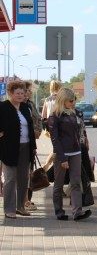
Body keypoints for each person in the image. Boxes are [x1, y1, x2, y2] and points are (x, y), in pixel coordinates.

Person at [47, 87, 91, 221]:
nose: (73, 103)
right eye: (70, 100)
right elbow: (55, 139)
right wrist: (62, 157)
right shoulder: (55, 116)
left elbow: (80, 131)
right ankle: (59, 212)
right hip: (62, 153)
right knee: (59, 184)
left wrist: (83, 141)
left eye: (74, 100)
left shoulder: (75, 113)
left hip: (76, 151)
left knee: (76, 182)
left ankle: (77, 212)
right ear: (62, 100)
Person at [0, 80, 38, 218]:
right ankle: (9, 209)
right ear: (10, 93)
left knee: (23, 178)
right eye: (17, 93)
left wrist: (33, 147)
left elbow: (31, 129)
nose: (21, 95)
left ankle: (20, 207)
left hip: (26, 147)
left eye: (23, 93)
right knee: (10, 178)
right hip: (8, 148)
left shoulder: (25, 108)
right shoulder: (3, 107)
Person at [24, 81, 43, 211]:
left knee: (29, 172)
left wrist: (38, 131)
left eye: (30, 90)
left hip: (31, 142)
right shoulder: (17, 106)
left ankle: (27, 200)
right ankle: (22, 201)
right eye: (28, 90)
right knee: (22, 174)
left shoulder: (30, 104)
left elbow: (38, 119)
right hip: (20, 144)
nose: (30, 93)